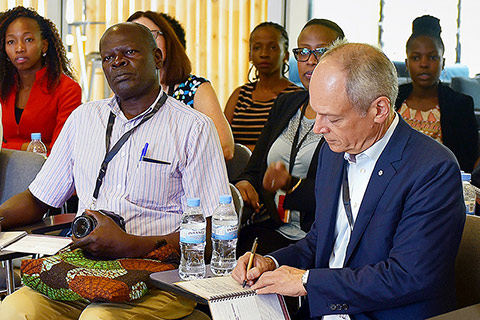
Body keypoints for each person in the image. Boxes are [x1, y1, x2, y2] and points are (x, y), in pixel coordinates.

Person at [0, 22, 230, 319]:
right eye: (108, 57)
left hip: (160, 275)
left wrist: (131, 244)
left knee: (100, 317)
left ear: (157, 58)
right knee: (14, 309)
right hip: (83, 267)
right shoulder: (84, 119)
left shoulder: (193, 128)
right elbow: (37, 199)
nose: (117, 62)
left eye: (129, 52)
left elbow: (213, 230)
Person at [232, 40, 466, 320]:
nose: (318, 128)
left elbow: (408, 276)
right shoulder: (334, 151)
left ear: (379, 110)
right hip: (324, 309)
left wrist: (306, 282)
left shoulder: (432, 169)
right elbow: (322, 240)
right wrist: (272, 262)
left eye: (332, 117)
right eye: (316, 112)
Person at [235, 19, 345, 256]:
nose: (311, 60)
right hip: (274, 227)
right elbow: (254, 169)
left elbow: (342, 195)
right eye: (304, 51)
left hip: (319, 238)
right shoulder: (286, 103)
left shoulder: (348, 116)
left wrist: (291, 184)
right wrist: (245, 183)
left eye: (321, 51)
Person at [127, 10, 234, 160]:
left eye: (150, 35)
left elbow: (225, 148)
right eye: (133, 40)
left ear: (168, 39)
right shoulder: (124, 93)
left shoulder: (196, 89)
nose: (142, 44)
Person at [395, 15, 478, 173]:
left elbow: (468, 161)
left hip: (441, 187)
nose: (424, 64)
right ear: (407, 63)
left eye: (432, 57)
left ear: (443, 63)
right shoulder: (393, 99)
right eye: (416, 57)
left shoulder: (459, 105)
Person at [0, 6, 81, 153]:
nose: (19, 48)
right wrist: (26, 147)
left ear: (44, 45)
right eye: (11, 42)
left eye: (28, 39)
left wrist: (7, 147)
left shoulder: (68, 89)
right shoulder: (3, 86)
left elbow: (60, 152)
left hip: (47, 173)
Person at [224, 22, 303, 151]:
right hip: (237, 170)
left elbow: (293, 147)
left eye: (273, 47)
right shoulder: (240, 95)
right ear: (250, 55)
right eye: (257, 48)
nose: (264, 54)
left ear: (286, 55)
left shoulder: (296, 97)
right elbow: (222, 140)